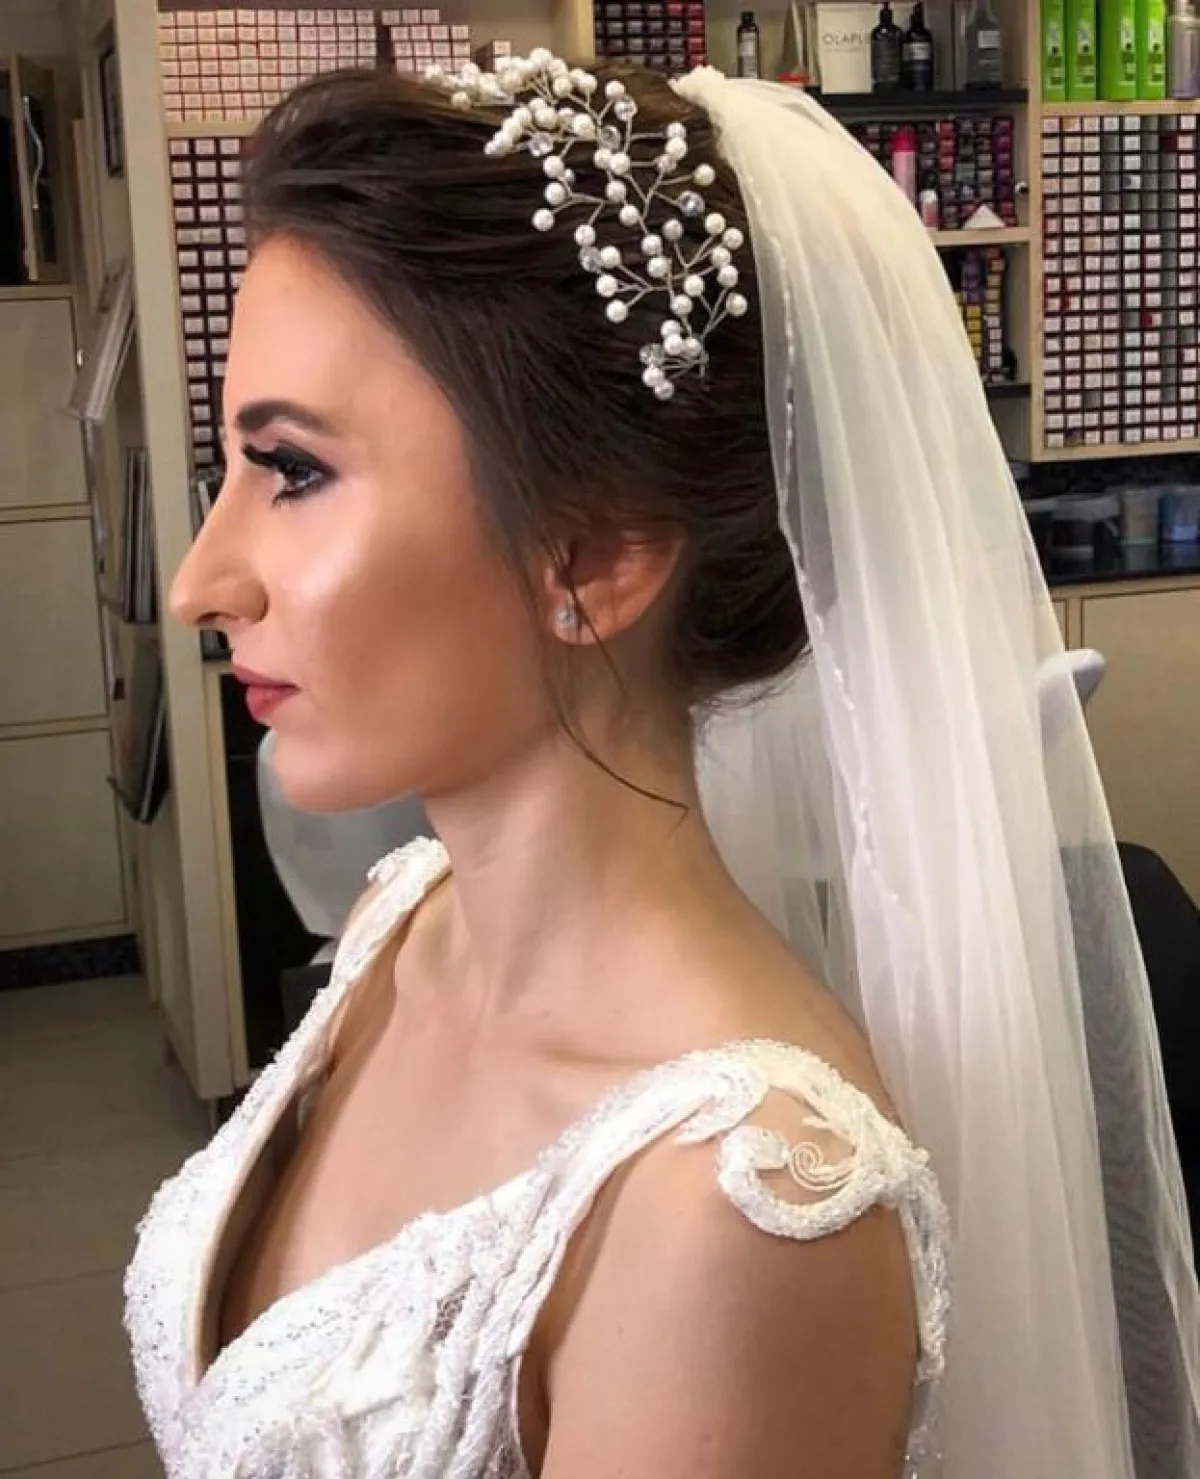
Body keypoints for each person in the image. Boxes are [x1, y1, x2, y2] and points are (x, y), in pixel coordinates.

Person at [124, 56, 1200, 1479]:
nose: (202, 582)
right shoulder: (404, 916)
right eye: (233, 471)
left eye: (295, 471)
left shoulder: (737, 1208)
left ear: (594, 555)